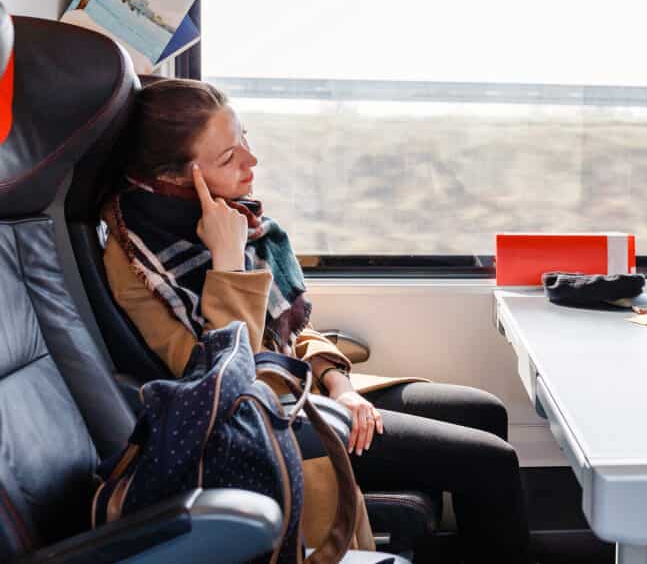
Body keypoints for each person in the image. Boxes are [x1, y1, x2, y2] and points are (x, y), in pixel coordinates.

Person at [100, 78, 531, 564]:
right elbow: (231, 379)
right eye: (228, 158)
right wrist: (227, 265)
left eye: (245, 139)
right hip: (272, 420)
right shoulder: (140, 263)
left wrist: (338, 382)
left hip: (309, 388)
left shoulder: (228, 217)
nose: (251, 162)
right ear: (175, 179)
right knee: (492, 462)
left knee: (486, 410)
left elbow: (290, 332)